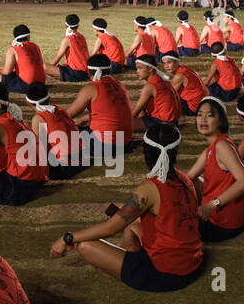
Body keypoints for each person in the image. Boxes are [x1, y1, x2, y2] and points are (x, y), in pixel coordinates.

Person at [51, 123, 205, 291]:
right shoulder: (185, 179)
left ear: (146, 152)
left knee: (85, 245)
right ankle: (129, 249)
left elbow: (110, 228)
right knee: (131, 224)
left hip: (164, 274)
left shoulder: (149, 190)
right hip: (192, 263)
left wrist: (67, 238)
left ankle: (125, 262)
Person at [184, 97, 244, 242]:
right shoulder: (213, 147)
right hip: (218, 214)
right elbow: (187, 179)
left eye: (210, 115)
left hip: (223, 222)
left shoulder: (222, 147)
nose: (203, 119)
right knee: (190, 185)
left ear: (220, 120)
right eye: (200, 114)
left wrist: (211, 205)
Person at [64, 54, 137, 152]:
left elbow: (66, 115)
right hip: (125, 143)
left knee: (63, 129)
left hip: (103, 145)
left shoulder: (92, 88)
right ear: (110, 70)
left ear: (89, 71)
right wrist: (82, 119)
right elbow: (110, 113)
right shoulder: (120, 85)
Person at [24, 82, 86, 180]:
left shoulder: (38, 118)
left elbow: (40, 150)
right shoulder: (59, 109)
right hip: (82, 159)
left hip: (66, 167)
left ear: (27, 103)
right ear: (49, 98)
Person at [0, 24, 46, 96]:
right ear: (28, 36)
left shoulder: (13, 49)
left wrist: (0, 70)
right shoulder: (35, 46)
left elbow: (6, 72)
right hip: (41, 84)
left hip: (27, 86)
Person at [131, 55, 182, 131]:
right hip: (173, 123)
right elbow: (142, 109)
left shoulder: (150, 86)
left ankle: (120, 142)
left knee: (119, 124)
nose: (137, 71)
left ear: (150, 68)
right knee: (140, 112)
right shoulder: (162, 80)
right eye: (137, 68)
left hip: (162, 124)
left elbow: (135, 113)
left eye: (140, 68)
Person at [163, 52, 209, 116]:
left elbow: (169, 94)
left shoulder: (179, 76)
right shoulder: (184, 68)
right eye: (164, 63)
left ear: (177, 62)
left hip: (195, 107)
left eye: (169, 62)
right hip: (203, 103)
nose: (166, 66)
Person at [49, 13, 91, 82]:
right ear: (78, 25)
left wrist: (48, 68)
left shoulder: (68, 39)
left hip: (77, 73)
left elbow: (57, 58)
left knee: (45, 67)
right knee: (63, 64)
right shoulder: (81, 36)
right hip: (86, 71)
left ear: (66, 25)